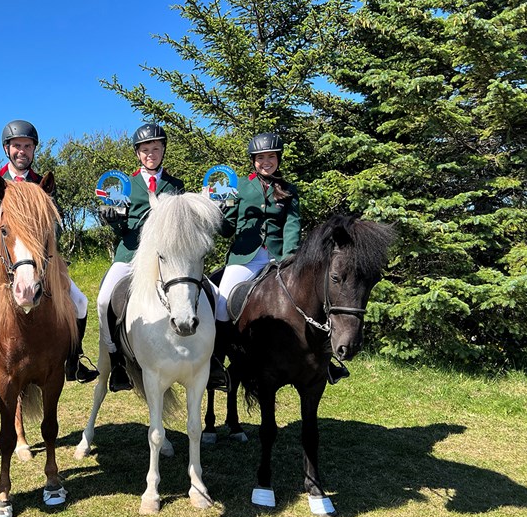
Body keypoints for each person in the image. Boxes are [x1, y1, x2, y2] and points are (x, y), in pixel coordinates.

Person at [0, 120, 98, 384]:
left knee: (80, 301)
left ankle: (74, 360)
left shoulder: (41, 183)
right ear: (7, 149)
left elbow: (53, 226)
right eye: (17, 146)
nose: (22, 151)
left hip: (36, 258)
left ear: (33, 150)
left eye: (27, 146)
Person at [97, 122, 230, 392]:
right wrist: (113, 221)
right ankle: (117, 358)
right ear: (138, 153)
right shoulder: (127, 186)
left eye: (155, 148)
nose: (151, 154)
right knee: (103, 299)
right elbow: (123, 229)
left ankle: (214, 359)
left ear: (163, 150)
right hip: (131, 255)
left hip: (170, 258)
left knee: (215, 295)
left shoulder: (176, 185)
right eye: (145, 150)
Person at [214, 133, 349, 383]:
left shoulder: (288, 190)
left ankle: (325, 362)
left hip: (279, 258)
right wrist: (220, 212)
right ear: (253, 160)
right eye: (261, 158)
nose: (266, 162)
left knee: (311, 300)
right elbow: (226, 230)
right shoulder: (238, 186)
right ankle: (216, 362)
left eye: (271, 157)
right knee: (221, 304)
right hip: (245, 258)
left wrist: (290, 258)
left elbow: (292, 225)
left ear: (278, 159)